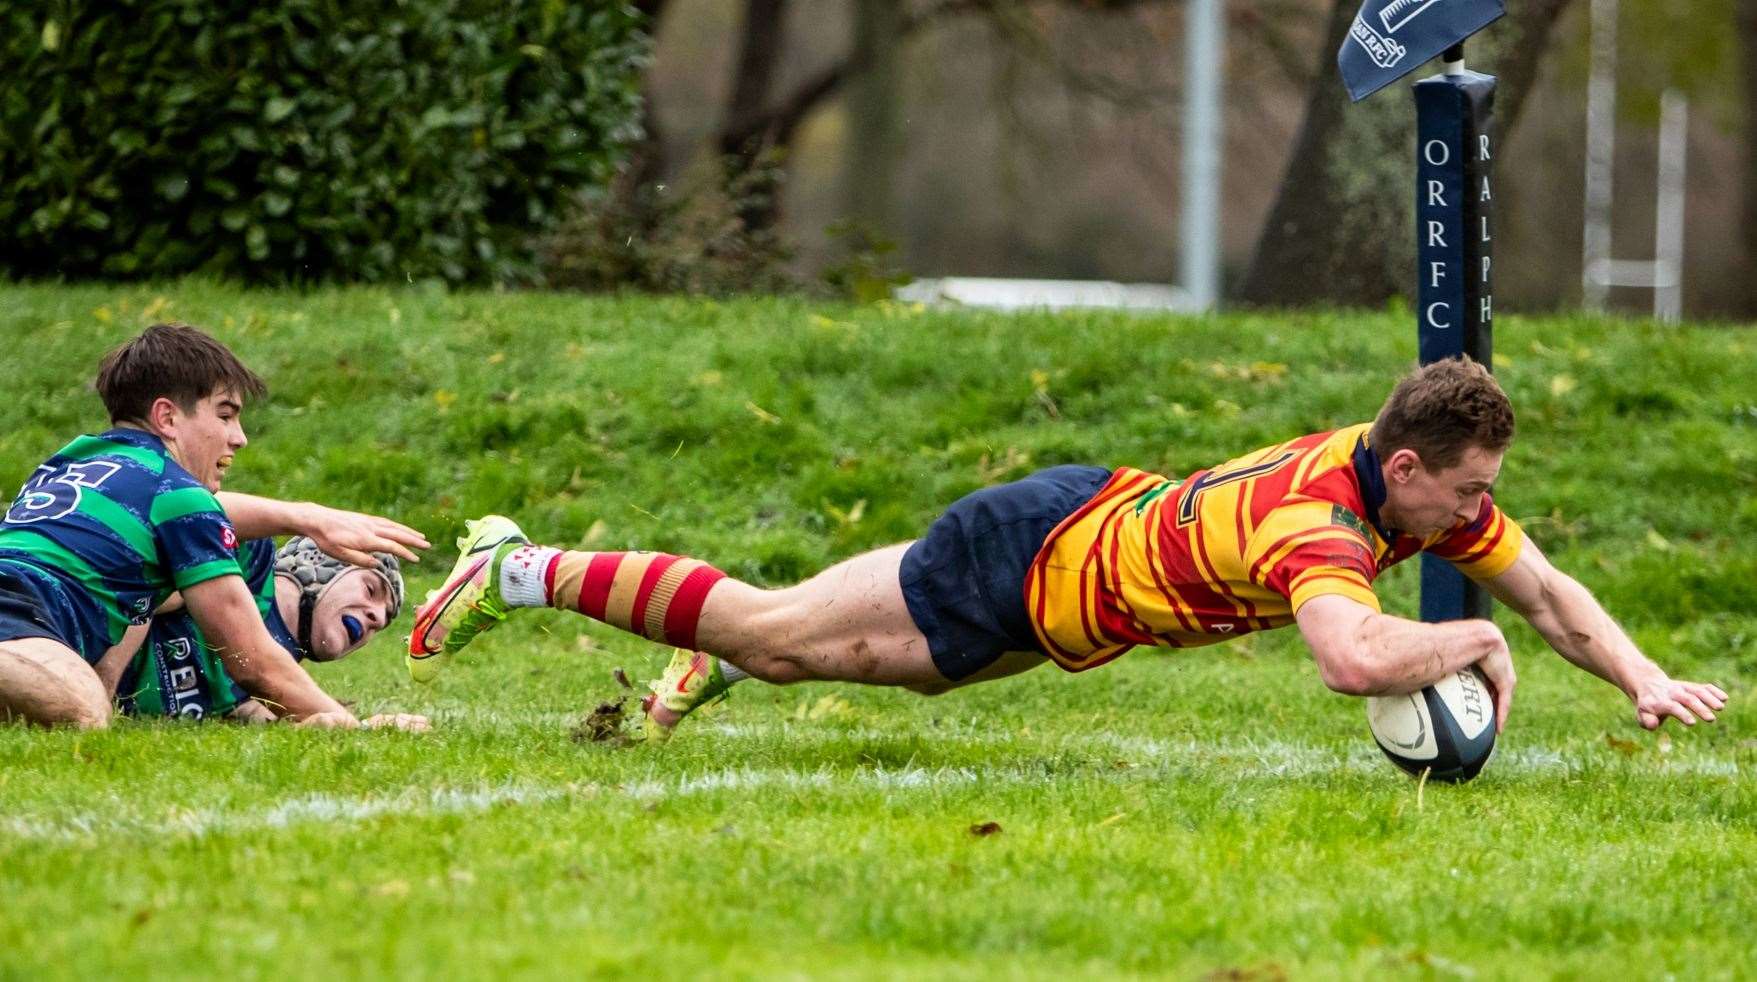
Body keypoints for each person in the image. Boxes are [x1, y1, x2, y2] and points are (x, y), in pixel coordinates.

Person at [406, 358, 1728, 743]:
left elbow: (1546, 591)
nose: (1479, 516)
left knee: (843, 649)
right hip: (1033, 557)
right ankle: (515, 565)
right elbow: (1348, 656)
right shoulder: (1320, 526)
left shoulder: (1411, 491)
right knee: (766, 621)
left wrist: (1644, 676)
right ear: (1405, 470)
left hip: (1070, 560)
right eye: (1471, 491)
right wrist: (1467, 636)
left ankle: (738, 663)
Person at [0, 323, 428, 728]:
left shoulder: (71, 461)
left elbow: (202, 510)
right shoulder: (177, 493)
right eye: (225, 416)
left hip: (24, 608)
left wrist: (304, 516)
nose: (239, 437)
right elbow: (255, 663)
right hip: (23, 607)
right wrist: (355, 728)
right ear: (167, 418)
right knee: (82, 708)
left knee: (88, 680)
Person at [119, 536, 426, 730]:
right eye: (369, 589)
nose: (375, 617)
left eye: (383, 622)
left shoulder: (281, 695)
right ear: (317, 560)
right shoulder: (247, 558)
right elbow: (130, 586)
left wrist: (361, 728)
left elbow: (266, 721)